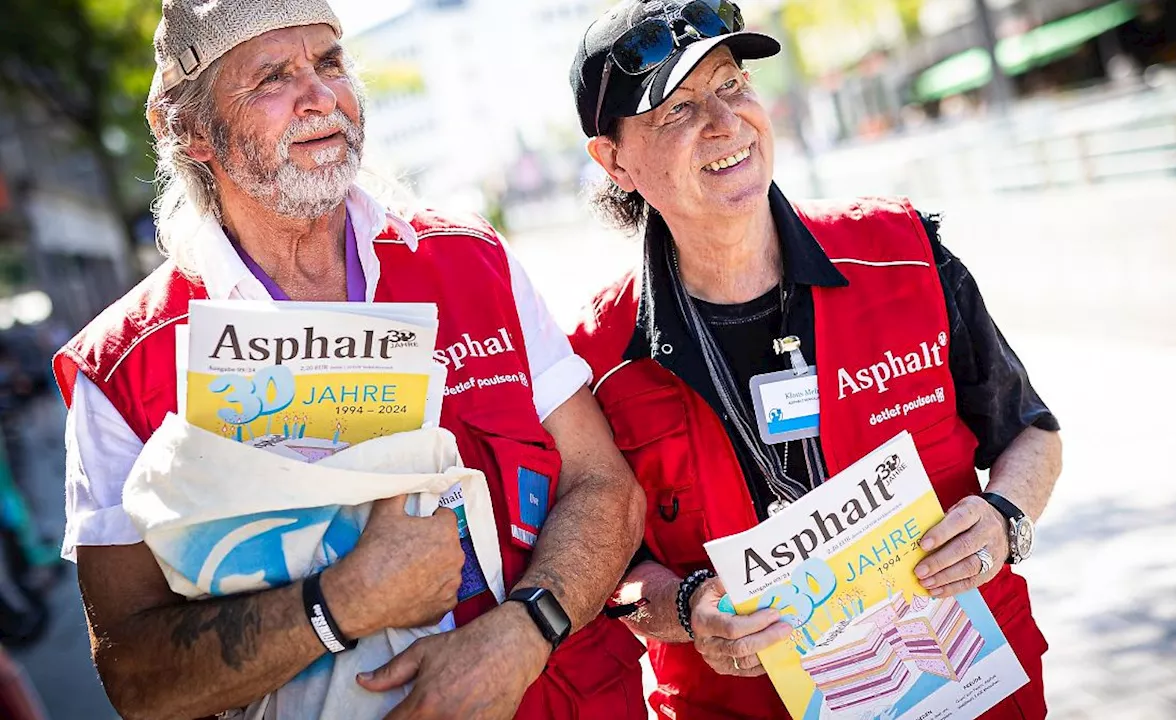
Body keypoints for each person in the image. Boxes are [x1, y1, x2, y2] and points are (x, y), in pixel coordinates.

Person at [52, 2, 646, 718]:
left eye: (330, 64)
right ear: (191, 131)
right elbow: (136, 677)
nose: (321, 96)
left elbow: (606, 486)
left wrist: (524, 631)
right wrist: (342, 603)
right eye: (273, 77)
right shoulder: (123, 368)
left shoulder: (469, 259)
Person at [567, 1, 1063, 718]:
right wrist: (686, 608)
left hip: (973, 689)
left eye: (732, 84)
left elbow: (1032, 432)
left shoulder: (902, 250)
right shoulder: (592, 361)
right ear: (615, 161)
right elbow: (603, 570)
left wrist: (1003, 516)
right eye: (676, 110)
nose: (724, 122)